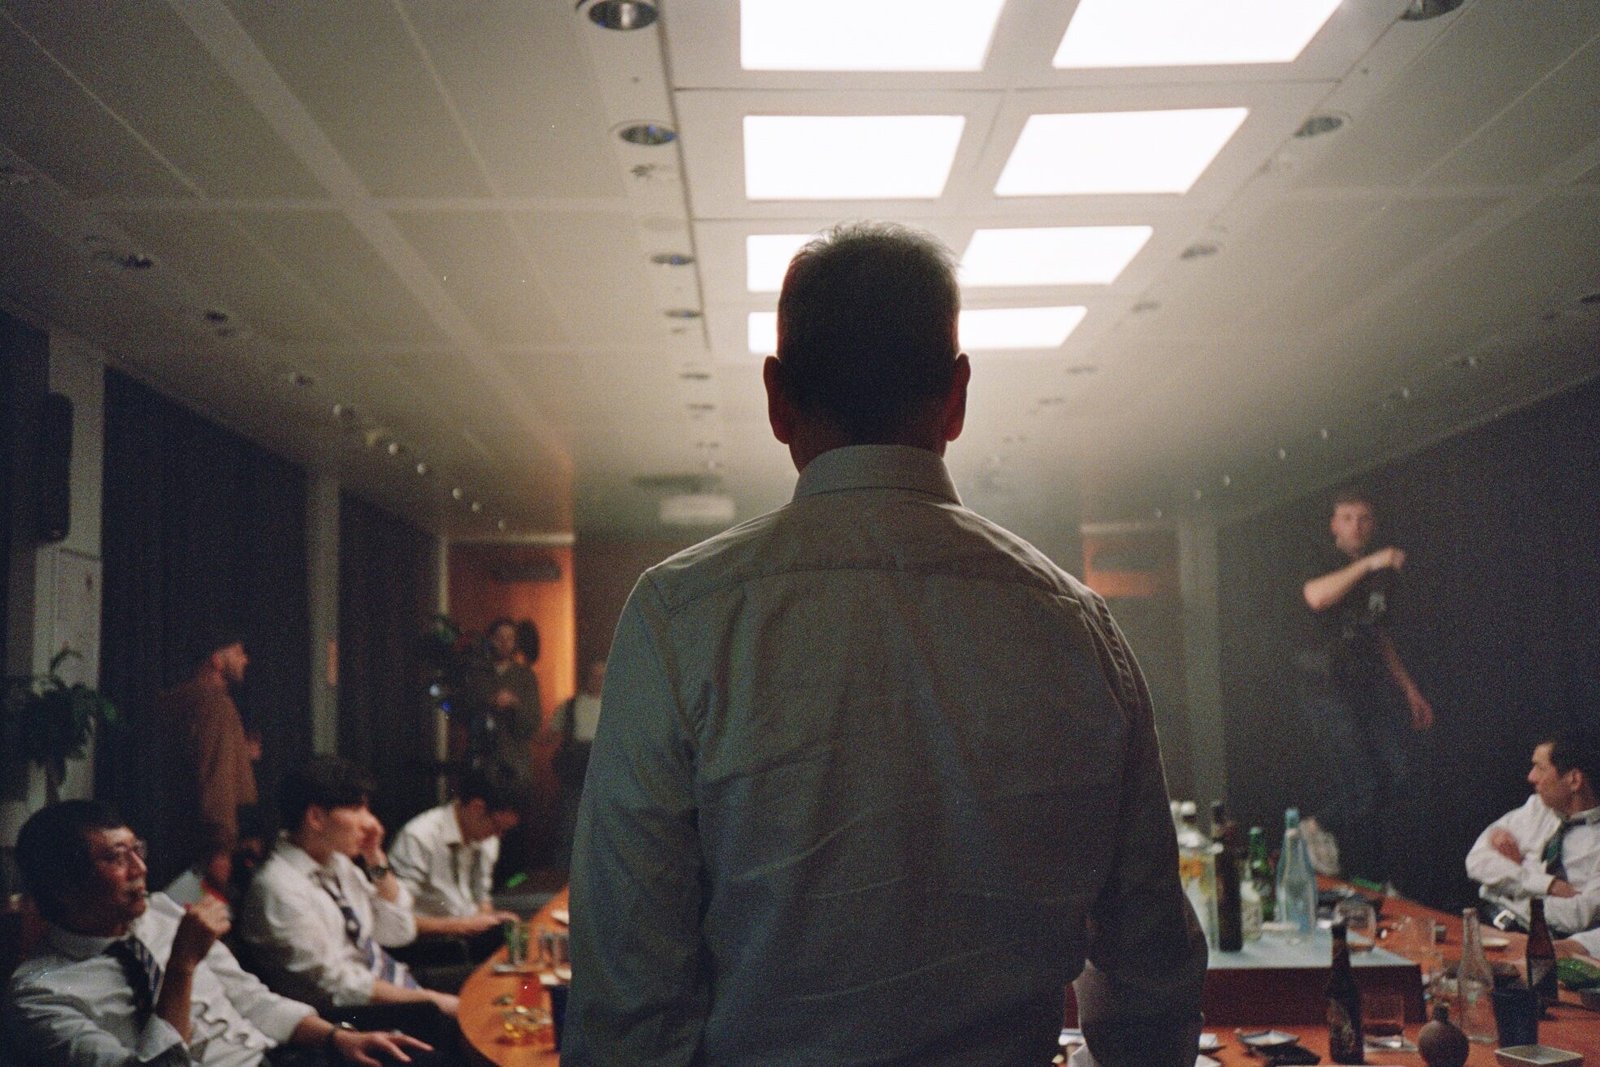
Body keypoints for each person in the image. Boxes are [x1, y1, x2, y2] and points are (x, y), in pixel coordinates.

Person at [565, 222, 1206, 1067]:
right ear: (957, 396)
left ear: (777, 399)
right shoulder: (1079, 627)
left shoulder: (679, 618)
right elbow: (1151, 974)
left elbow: (628, 1001)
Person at [3, 799, 436, 1066]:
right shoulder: (41, 994)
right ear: (64, 884)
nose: (140, 869)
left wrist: (338, 1038)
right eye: (117, 858)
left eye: (138, 851)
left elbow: (249, 998)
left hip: (280, 1055)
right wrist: (181, 967)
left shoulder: (161, 912)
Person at [238, 757, 460, 1045]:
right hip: (350, 1021)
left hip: (391, 985)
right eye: (357, 809)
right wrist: (430, 1000)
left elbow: (398, 931)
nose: (369, 822)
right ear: (316, 818)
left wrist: (375, 859)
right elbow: (336, 985)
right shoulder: (278, 888)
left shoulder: (338, 864)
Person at [1296, 491, 1435, 886]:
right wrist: (1370, 562)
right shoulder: (1323, 560)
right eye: (1347, 517)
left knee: (1399, 773)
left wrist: (1409, 688)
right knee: (1362, 785)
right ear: (1334, 525)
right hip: (1325, 686)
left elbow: (1378, 634)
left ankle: (1371, 869)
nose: (1356, 526)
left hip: (1365, 685)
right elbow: (1317, 597)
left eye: (1364, 519)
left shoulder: (1381, 577)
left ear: (1372, 525)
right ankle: (1316, 831)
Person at [148, 631, 259, 891]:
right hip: (206, 851)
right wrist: (220, 849)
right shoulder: (215, 704)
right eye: (238, 652)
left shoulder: (173, 701)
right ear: (216, 660)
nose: (245, 659)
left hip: (170, 840)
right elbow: (216, 779)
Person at [387, 764, 527, 960]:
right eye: (497, 827)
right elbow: (393, 919)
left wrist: (490, 919)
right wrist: (460, 926)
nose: (499, 835)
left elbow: (482, 896)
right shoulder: (419, 837)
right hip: (428, 947)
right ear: (477, 808)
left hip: (467, 939)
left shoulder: (487, 838)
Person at [1467, 730, 1600, 935]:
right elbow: (1476, 861)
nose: (1531, 777)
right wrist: (1547, 885)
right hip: (1485, 923)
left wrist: (1504, 887)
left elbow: (1577, 916)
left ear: (1574, 780)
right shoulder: (1537, 808)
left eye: (1540, 768)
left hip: (1539, 941)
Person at [458, 619, 540, 774]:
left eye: (509, 638)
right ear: (490, 639)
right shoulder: (477, 674)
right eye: (499, 638)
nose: (504, 643)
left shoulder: (525, 676)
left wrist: (515, 704)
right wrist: (489, 702)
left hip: (514, 763)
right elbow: (464, 713)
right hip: (481, 762)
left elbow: (533, 722)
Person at [549, 657, 604, 871]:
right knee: (569, 829)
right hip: (575, 778)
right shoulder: (571, 706)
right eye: (594, 676)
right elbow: (549, 734)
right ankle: (563, 877)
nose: (598, 681)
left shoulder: (616, 707)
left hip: (605, 779)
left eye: (602, 676)